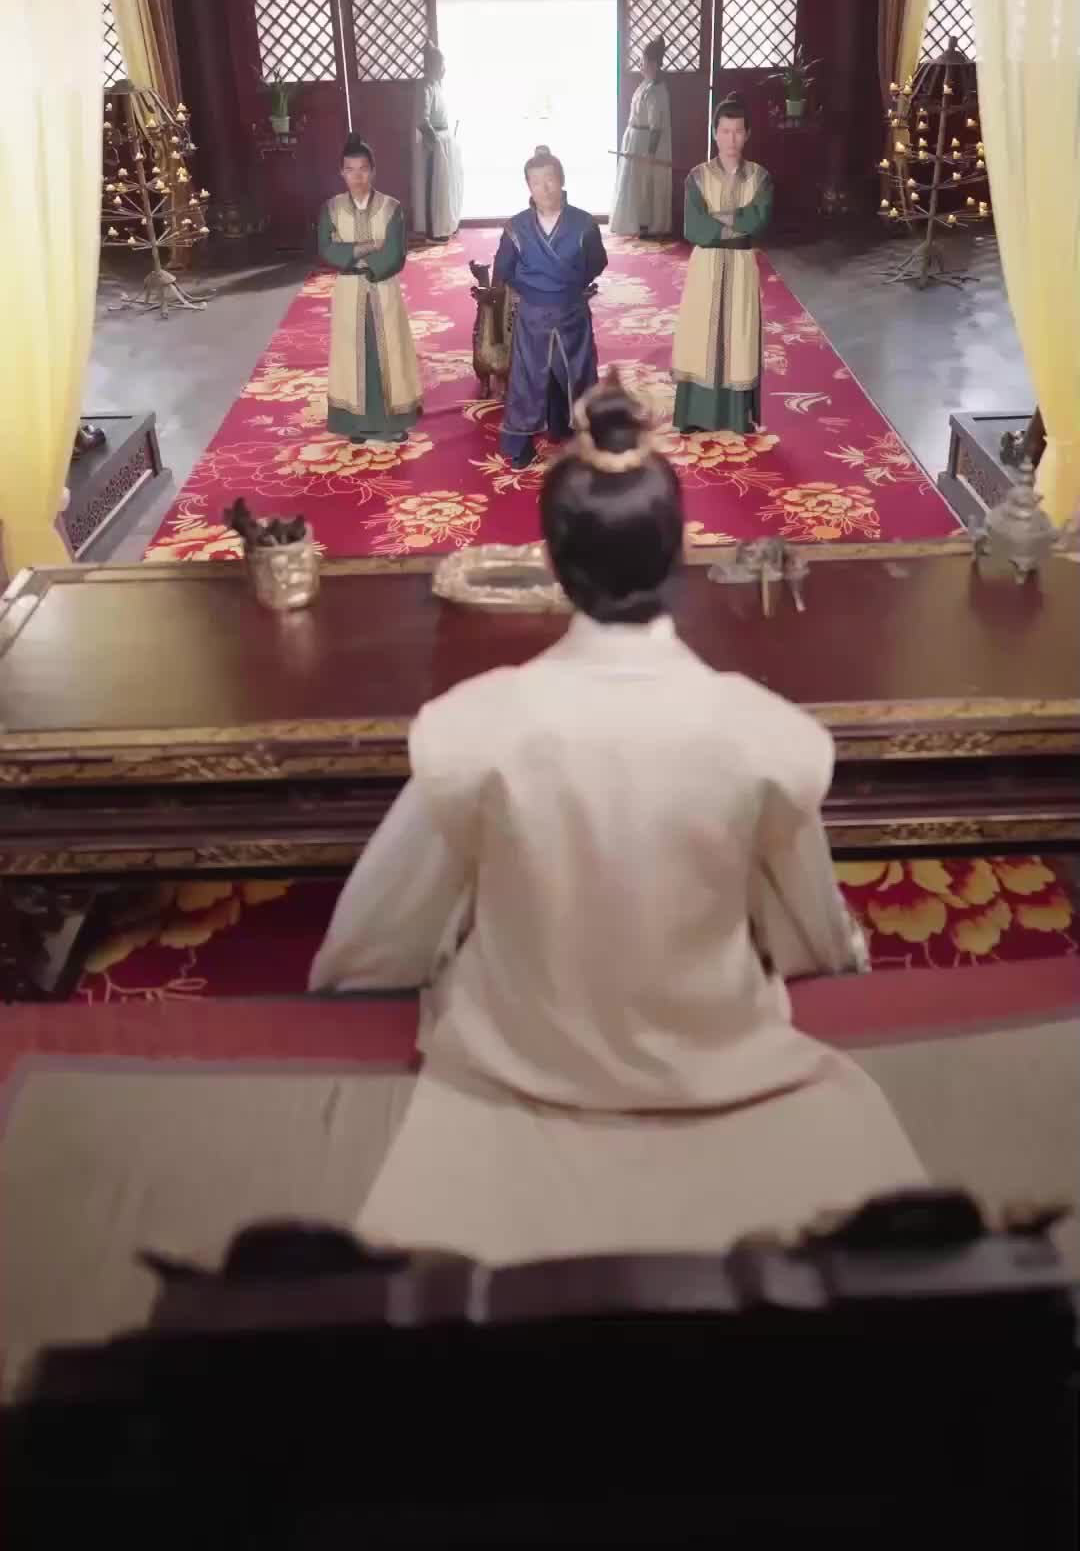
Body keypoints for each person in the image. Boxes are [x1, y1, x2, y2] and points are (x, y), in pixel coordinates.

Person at [310, 375, 926, 1266]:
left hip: (517, 1059)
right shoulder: (756, 730)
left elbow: (387, 921)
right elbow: (809, 926)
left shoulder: (481, 725)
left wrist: (351, 986)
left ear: (554, 562)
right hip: (719, 1052)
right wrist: (834, 966)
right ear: (676, 555)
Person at [493, 145, 608, 468]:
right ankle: (520, 443)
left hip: (572, 311)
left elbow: (597, 262)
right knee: (527, 377)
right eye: (536, 182)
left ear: (561, 180)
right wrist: (532, 290)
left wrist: (571, 286)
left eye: (550, 179)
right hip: (533, 314)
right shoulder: (516, 227)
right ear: (528, 186)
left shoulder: (583, 223)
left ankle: (585, 436)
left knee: (579, 373)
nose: (544, 188)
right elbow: (504, 269)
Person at [672, 95, 773, 434]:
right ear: (715, 133)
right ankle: (694, 414)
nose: (731, 139)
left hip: (742, 265)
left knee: (739, 335)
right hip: (706, 266)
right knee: (700, 333)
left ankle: (736, 416)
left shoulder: (760, 177)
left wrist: (717, 218)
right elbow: (694, 228)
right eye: (725, 131)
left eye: (738, 131)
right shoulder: (697, 177)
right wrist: (737, 220)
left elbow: (759, 220)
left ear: (748, 134)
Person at [318, 135, 421, 444]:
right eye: (350, 170)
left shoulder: (391, 208)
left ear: (373, 170)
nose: (357, 176)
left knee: (389, 351)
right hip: (348, 292)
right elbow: (326, 248)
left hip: (383, 287)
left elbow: (394, 254)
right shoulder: (331, 209)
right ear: (341, 172)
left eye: (363, 169)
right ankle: (356, 424)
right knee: (351, 354)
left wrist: (353, 254)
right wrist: (365, 247)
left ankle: (393, 422)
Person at [609, 33, 673, 238]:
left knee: (644, 184)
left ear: (653, 63)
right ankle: (635, 223)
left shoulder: (657, 90)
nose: (641, 66)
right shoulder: (645, 85)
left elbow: (656, 127)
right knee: (634, 184)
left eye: (643, 62)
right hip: (634, 139)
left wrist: (651, 153)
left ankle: (646, 224)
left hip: (644, 143)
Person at [411, 41, 464, 242]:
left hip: (444, 140)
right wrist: (434, 143)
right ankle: (434, 232)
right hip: (435, 143)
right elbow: (422, 120)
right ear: (433, 65)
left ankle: (445, 225)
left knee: (445, 189)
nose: (444, 69)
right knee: (435, 190)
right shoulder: (425, 86)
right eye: (442, 65)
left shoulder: (437, 86)